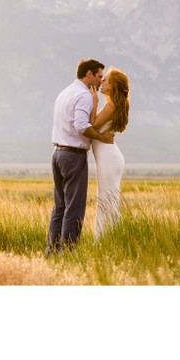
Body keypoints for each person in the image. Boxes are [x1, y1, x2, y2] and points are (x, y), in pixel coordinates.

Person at [47, 58, 115, 254]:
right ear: (89, 74)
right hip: (73, 156)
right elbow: (81, 125)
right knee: (74, 209)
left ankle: (52, 250)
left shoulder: (65, 92)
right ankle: (68, 252)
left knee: (59, 207)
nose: (100, 81)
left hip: (57, 153)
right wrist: (101, 136)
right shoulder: (84, 95)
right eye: (99, 76)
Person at [89, 68, 130, 237]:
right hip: (110, 157)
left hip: (108, 158)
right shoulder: (113, 104)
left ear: (112, 86)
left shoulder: (111, 104)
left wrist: (94, 102)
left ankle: (104, 239)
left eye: (105, 80)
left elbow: (93, 124)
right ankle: (112, 238)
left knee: (106, 201)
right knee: (108, 201)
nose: (102, 82)